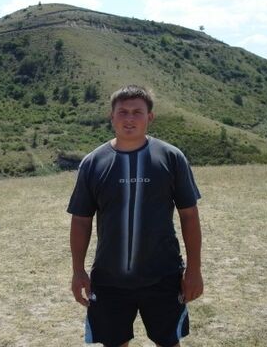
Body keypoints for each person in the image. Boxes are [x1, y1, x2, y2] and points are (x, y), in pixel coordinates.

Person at [67, 85, 203, 347]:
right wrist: (78, 270)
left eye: (137, 112)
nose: (129, 118)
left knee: (168, 342)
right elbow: (81, 221)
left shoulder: (171, 157)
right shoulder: (93, 163)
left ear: (150, 117)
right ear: (112, 116)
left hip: (163, 276)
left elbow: (189, 215)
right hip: (109, 279)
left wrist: (194, 271)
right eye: (123, 112)